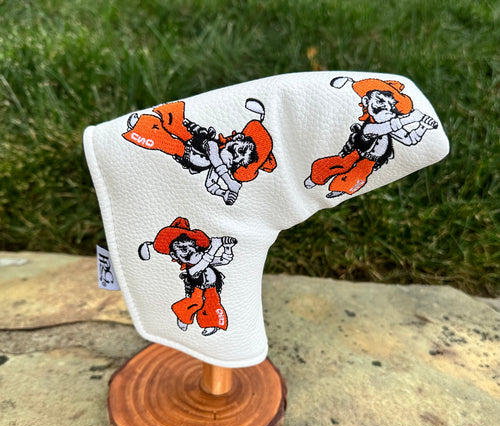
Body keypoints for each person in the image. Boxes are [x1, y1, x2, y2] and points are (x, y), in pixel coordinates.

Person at [305, 77, 438, 198]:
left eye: (391, 106)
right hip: (355, 153)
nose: (385, 108)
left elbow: (409, 140)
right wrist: (411, 118)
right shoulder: (370, 127)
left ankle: (340, 189)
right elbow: (387, 127)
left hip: (372, 160)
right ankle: (315, 179)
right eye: (380, 101)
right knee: (337, 165)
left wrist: (423, 127)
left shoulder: (390, 126)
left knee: (358, 176)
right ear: (366, 101)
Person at [123, 100, 275, 205]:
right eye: (241, 150)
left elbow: (210, 184)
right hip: (193, 141)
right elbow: (214, 157)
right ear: (237, 138)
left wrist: (224, 193)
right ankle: (145, 122)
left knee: (166, 142)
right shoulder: (214, 148)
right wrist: (230, 182)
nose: (237, 156)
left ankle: (139, 127)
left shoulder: (219, 165)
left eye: (239, 161)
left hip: (183, 152)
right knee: (175, 126)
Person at [138, 217, 237, 336]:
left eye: (193, 247)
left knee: (213, 303)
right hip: (197, 288)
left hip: (212, 287)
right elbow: (199, 268)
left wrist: (227, 248)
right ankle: (183, 316)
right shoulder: (193, 267)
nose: (190, 251)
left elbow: (223, 260)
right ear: (175, 255)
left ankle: (211, 323)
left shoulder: (203, 258)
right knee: (195, 302)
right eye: (183, 249)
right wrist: (213, 248)